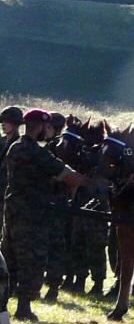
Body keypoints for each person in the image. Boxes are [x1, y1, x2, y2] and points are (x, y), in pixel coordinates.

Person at [2, 109, 95, 321]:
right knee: (31, 259)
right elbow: (66, 175)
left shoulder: (15, 147)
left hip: (12, 210)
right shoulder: (37, 152)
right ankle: (24, 308)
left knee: (11, 257)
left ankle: (5, 304)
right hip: (32, 214)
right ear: (41, 127)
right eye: (46, 127)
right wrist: (91, 182)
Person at [43, 112, 72, 300]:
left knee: (55, 244)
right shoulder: (50, 146)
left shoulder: (60, 147)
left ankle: (53, 285)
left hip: (57, 202)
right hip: (47, 202)